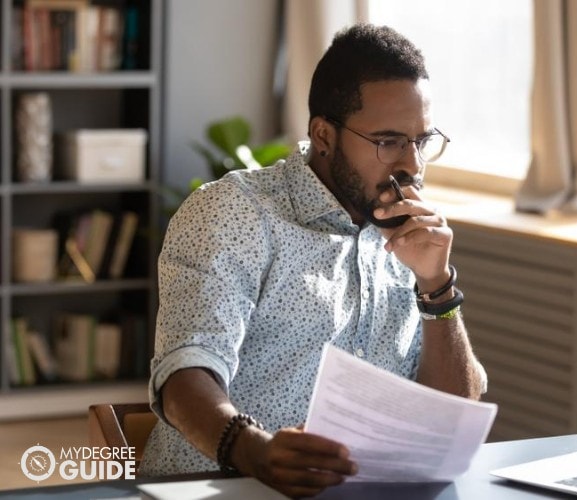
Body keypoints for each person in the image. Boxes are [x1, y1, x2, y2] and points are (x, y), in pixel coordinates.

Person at [140, 23, 487, 498]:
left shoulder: (409, 236)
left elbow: (450, 418)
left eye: (421, 141)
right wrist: (255, 452)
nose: (412, 166)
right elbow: (185, 373)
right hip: (219, 489)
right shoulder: (235, 213)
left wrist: (436, 286)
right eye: (388, 142)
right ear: (324, 135)